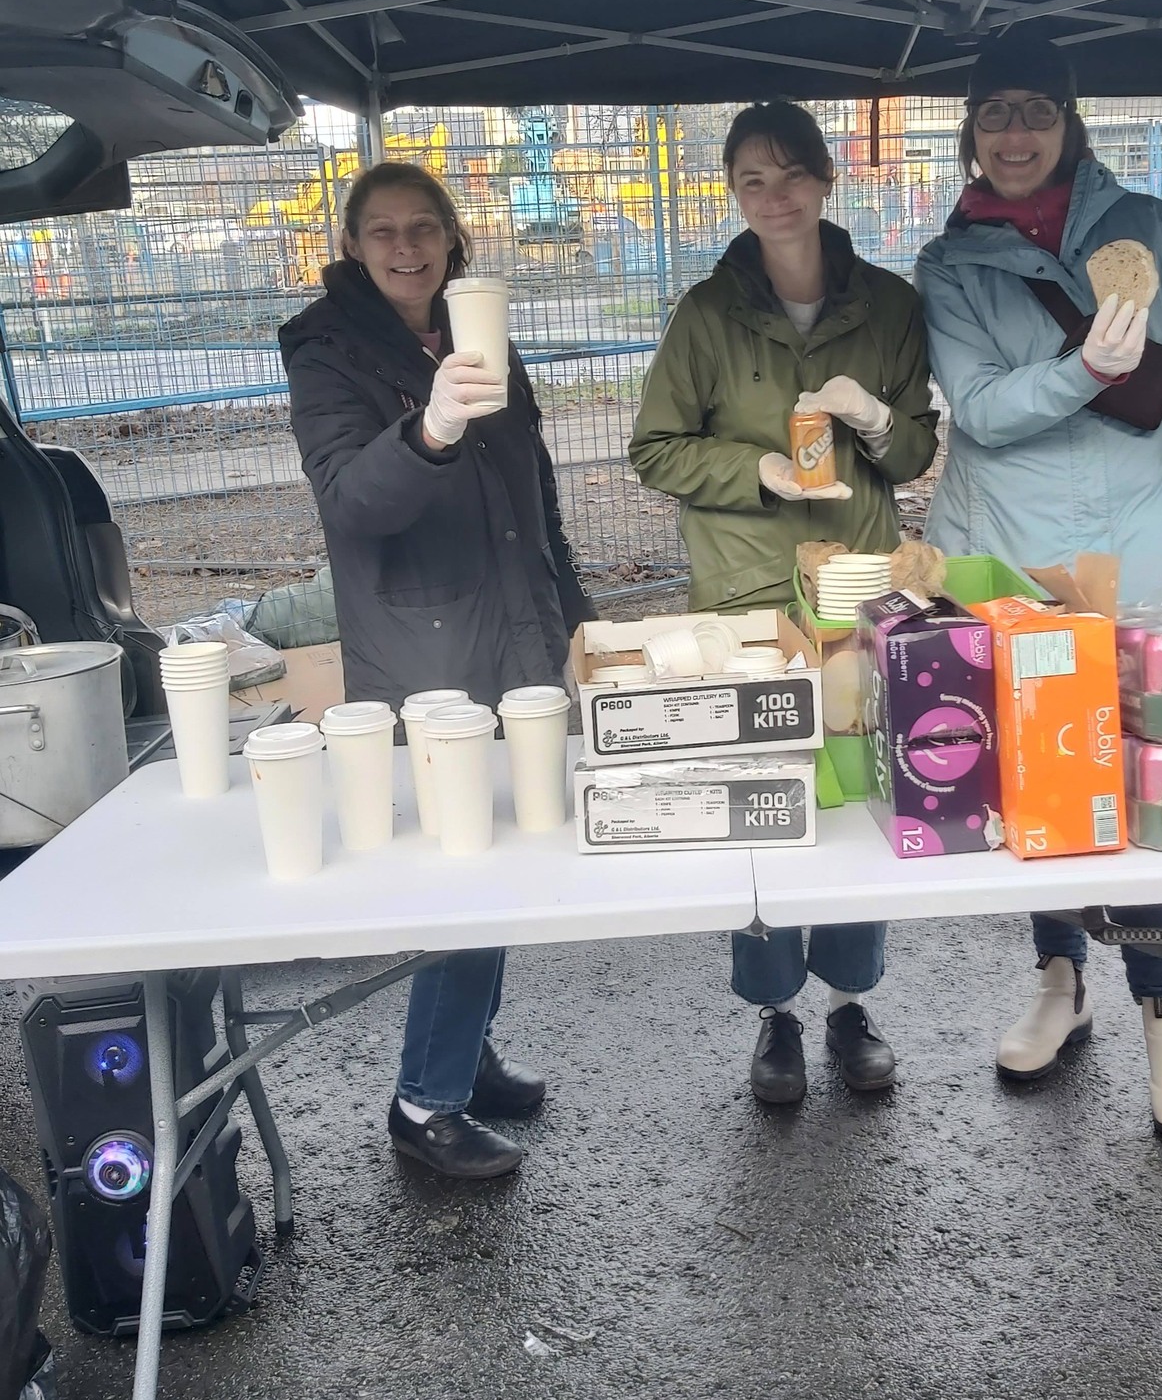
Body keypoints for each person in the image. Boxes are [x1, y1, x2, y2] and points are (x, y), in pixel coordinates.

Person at [915, 28, 1162, 1138]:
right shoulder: (950, 263)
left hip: (1142, 551)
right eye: (995, 111)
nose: (1015, 134)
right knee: (1042, 783)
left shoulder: (1149, 225)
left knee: (1147, 788)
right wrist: (1082, 366)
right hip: (1011, 551)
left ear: (1070, 120)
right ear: (971, 127)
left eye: (1035, 110)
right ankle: (1057, 975)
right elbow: (983, 408)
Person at [280, 162, 591, 1181]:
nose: (406, 247)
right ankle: (424, 1098)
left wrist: (575, 621)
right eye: (383, 232)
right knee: (463, 867)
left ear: (454, 241)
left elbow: (535, 502)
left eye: (424, 228)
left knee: (498, 858)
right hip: (426, 647)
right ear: (356, 246)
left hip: (513, 630)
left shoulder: (478, 335)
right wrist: (429, 430)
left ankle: (466, 1050)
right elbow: (351, 505)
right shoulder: (327, 351)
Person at [629, 102, 938, 1107]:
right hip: (747, 595)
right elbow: (655, 448)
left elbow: (916, 451)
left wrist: (878, 418)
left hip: (857, 586)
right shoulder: (704, 316)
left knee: (855, 793)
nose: (776, 196)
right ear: (733, 191)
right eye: (753, 179)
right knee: (765, 804)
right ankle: (776, 1012)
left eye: (792, 173)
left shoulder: (890, 305)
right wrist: (757, 466)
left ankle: (849, 1000)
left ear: (826, 178)